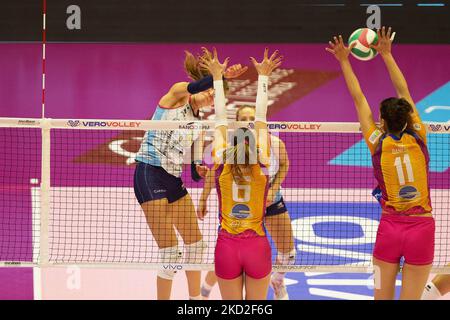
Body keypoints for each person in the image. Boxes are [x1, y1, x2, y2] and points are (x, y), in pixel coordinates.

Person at [326, 27, 435, 300]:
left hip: (390, 230)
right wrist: (386, 54)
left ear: (382, 123)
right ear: (409, 119)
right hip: (422, 229)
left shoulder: (377, 141)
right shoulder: (419, 135)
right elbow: (403, 89)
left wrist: (343, 60)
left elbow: (358, 98)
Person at [133, 48, 246, 300]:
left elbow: (194, 161)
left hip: (172, 178)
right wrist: (222, 76)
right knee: (170, 253)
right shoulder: (178, 93)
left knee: (197, 246)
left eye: (214, 94)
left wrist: (197, 169)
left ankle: (196, 302)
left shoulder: (199, 121)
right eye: (209, 91)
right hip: (149, 173)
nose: (210, 96)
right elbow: (195, 88)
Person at [197, 47, 282, 300]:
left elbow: (221, 117)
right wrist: (264, 77)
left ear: (232, 142)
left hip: (227, 247)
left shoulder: (221, 162)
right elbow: (261, 118)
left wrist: (216, 78)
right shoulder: (263, 162)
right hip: (256, 246)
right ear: (254, 144)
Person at [199, 105, 295, 300]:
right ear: (236, 122)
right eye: (244, 118)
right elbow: (216, 175)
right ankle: (206, 287)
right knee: (231, 253)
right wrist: (203, 198)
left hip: (270, 202)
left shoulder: (273, 143)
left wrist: (274, 189)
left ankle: (277, 281)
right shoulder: (228, 147)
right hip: (240, 212)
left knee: (289, 253)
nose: (249, 121)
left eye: (252, 117)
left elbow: (284, 164)